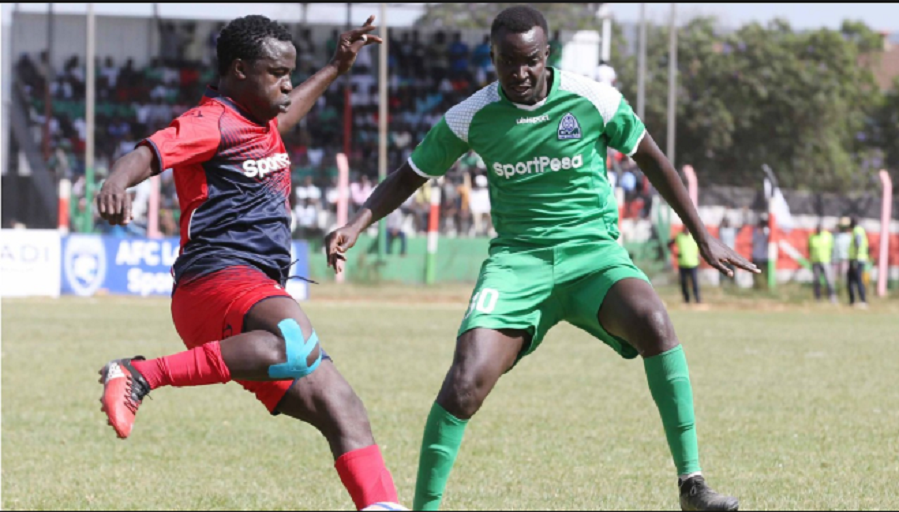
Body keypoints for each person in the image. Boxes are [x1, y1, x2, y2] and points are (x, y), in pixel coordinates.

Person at [324, 6, 753, 511]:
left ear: (547, 55)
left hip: (592, 255)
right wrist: (355, 224)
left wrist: (702, 235)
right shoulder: (471, 116)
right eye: (508, 61)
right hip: (517, 263)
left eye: (530, 61)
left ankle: (692, 485)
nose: (519, 73)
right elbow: (410, 174)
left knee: (655, 320)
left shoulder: (593, 99)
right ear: (492, 56)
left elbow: (652, 159)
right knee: (464, 383)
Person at [95, 15, 402, 510]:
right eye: (276, 72)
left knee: (342, 408)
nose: (286, 83)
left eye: (290, 72)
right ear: (239, 70)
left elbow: (287, 112)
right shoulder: (209, 121)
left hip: (250, 292)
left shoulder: (259, 122)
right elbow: (149, 154)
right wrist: (115, 182)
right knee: (296, 343)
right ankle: (140, 374)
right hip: (213, 279)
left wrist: (335, 68)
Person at [670, 226, 701, 304]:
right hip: (682, 263)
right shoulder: (679, 236)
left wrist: (699, 254)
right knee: (683, 282)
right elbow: (669, 244)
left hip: (693, 263)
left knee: (694, 282)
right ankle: (686, 300)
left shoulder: (694, 236)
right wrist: (674, 253)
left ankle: (698, 299)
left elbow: (701, 245)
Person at [807, 223, 836, 303]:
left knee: (829, 280)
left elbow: (832, 249)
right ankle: (818, 298)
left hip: (826, 261)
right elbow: (809, 248)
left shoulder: (828, 236)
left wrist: (831, 260)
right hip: (815, 262)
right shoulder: (812, 237)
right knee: (816, 281)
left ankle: (832, 297)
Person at [847, 217, 869, 308]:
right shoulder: (860, 230)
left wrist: (855, 259)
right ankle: (853, 301)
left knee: (857, 280)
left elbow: (858, 242)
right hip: (857, 258)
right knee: (851, 280)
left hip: (857, 259)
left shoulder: (857, 230)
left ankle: (863, 301)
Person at [832, 217, 852, 296]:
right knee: (833, 278)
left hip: (845, 259)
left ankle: (843, 293)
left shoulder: (849, 236)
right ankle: (834, 293)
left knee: (844, 277)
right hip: (835, 259)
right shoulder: (835, 236)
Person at [751, 215, 770, 290]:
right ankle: (757, 286)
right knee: (755, 274)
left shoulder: (767, 231)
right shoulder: (756, 231)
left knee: (764, 273)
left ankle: (764, 287)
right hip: (756, 255)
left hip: (764, 256)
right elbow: (753, 241)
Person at [717, 217, 737, 285]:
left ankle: (733, 283)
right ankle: (722, 283)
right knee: (723, 269)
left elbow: (740, 227)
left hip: (731, 254)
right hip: (723, 254)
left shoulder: (732, 230)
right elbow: (719, 226)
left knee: (732, 269)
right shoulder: (722, 230)